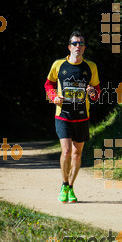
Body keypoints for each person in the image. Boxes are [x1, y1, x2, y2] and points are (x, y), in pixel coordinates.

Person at [44, 31, 100, 203]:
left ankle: (71, 187)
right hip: (63, 115)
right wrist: (53, 97)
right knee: (67, 151)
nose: (78, 46)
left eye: (81, 44)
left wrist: (92, 93)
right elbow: (48, 84)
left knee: (77, 154)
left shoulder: (90, 67)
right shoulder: (59, 65)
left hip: (82, 116)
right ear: (69, 47)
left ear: (84, 48)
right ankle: (64, 183)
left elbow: (96, 92)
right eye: (75, 43)